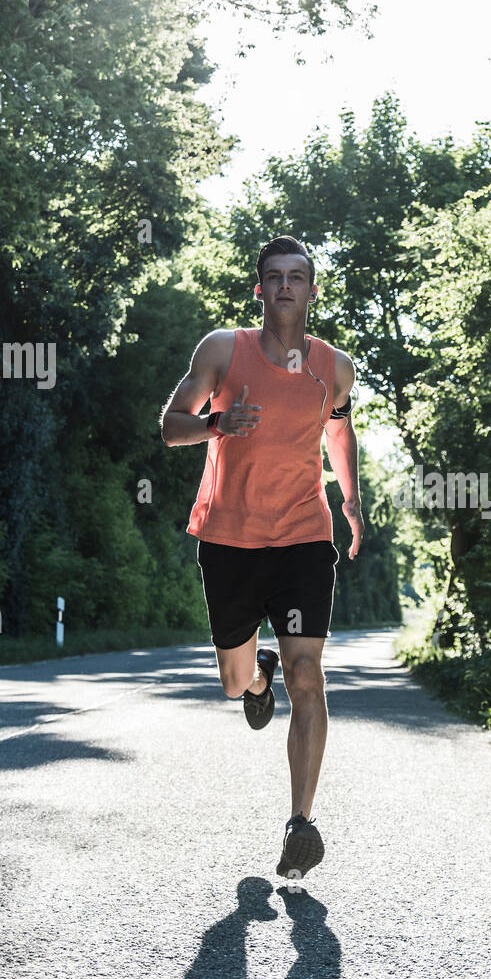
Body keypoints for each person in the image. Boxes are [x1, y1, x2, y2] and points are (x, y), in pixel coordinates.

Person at [160, 235, 363, 880]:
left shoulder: (334, 367)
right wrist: (217, 425)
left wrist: (351, 501)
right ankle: (256, 677)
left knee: (311, 675)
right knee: (230, 681)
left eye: (296, 276)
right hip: (229, 537)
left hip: (304, 535)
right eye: (273, 276)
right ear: (259, 288)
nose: (284, 286)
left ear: (310, 288)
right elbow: (170, 425)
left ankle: (301, 823)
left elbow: (338, 429)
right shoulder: (223, 350)